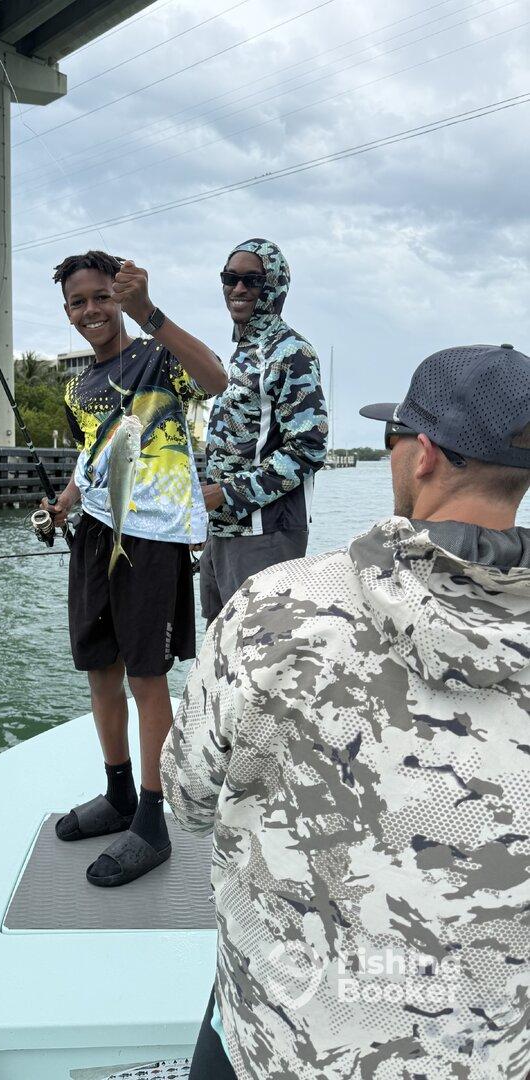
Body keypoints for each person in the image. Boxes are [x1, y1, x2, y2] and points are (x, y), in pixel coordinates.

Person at [161, 343, 530, 1078]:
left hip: (284, 1048)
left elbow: (186, 798)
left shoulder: (272, 609)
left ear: (421, 454)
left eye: (395, 436)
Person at [42, 250, 226, 888]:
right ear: (67, 311)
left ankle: (153, 818)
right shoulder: (75, 387)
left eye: (100, 297)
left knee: (148, 675)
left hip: (154, 537)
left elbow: (216, 379)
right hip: (96, 532)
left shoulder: (157, 358)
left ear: (118, 299)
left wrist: (151, 313)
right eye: (77, 302)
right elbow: (89, 455)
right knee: (101, 667)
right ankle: (118, 792)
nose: (90, 310)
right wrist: (62, 505)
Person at [200, 237, 328, 624]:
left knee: (262, 655)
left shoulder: (292, 352)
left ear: (274, 286)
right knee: (220, 650)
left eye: (251, 281)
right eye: (230, 278)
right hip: (221, 531)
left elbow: (308, 448)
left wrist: (224, 494)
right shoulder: (241, 354)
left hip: (266, 533)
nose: (238, 289)